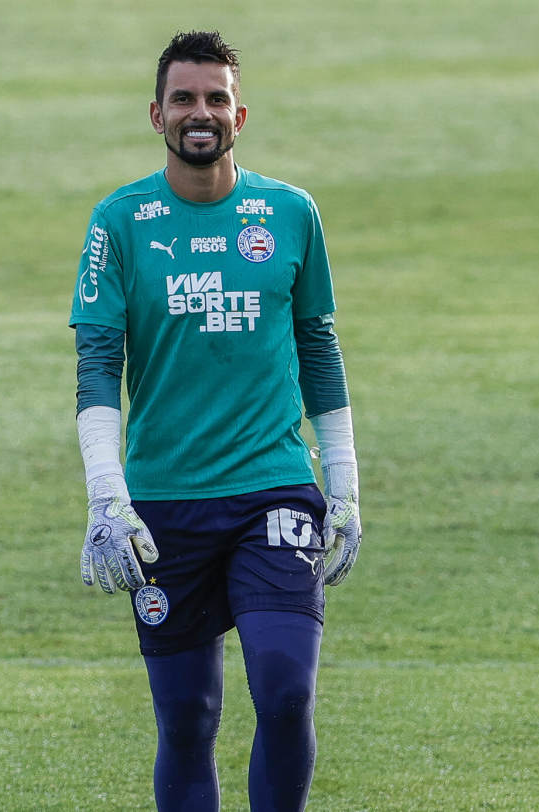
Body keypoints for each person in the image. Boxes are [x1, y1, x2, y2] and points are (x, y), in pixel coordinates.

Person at [69, 30, 361, 812]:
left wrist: (344, 485)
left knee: (286, 689)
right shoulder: (118, 223)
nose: (200, 113)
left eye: (215, 99)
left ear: (241, 114)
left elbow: (319, 348)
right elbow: (96, 367)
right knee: (189, 716)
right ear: (156, 114)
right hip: (164, 504)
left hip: (274, 488)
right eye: (183, 99)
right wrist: (106, 495)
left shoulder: (291, 213)